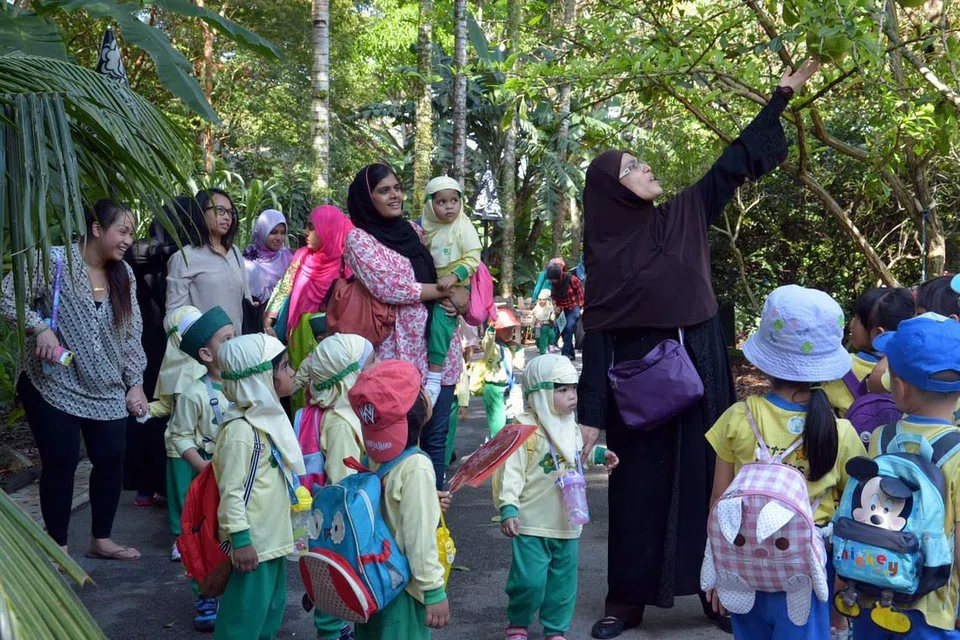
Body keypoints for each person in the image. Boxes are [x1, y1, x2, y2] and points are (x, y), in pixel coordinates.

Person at [577, 60, 821, 639]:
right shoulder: (606, 252)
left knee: (713, 482)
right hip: (637, 383)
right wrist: (589, 419)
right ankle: (626, 599)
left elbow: (733, 165)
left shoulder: (685, 214)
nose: (646, 169)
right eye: (632, 168)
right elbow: (599, 336)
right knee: (636, 489)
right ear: (613, 189)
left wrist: (781, 95)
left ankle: (717, 591)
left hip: (703, 368)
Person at [704, 285, 866, 639]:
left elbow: (718, 501)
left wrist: (716, 568)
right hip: (806, 570)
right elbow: (853, 516)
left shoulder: (737, 417)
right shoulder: (842, 432)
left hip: (744, 563)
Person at [0, 199, 147, 560]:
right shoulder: (53, 261)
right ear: (97, 229)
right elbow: (6, 296)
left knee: (112, 457)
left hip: (106, 385)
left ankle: (102, 539)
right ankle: (58, 545)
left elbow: (131, 331)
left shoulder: (123, 274)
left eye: (132, 233)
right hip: (52, 384)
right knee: (61, 461)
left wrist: (135, 381)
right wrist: (38, 329)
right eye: (123, 231)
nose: (129, 239)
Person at [343, 163, 469, 489]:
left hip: (437, 350)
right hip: (397, 357)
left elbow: (440, 268)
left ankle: (434, 523)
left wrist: (459, 293)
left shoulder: (412, 231)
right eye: (384, 190)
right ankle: (399, 517)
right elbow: (391, 287)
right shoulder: (359, 239)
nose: (395, 194)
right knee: (399, 441)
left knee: (437, 439)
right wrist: (448, 291)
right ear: (367, 197)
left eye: (397, 187)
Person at [494, 355, 619, 640]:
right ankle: (518, 621)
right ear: (538, 393)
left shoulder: (570, 427)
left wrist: (600, 455)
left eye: (573, 389)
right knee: (528, 581)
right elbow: (510, 472)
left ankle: (555, 629)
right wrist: (509, 507)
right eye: (561, 390)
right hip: (532, 522)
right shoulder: (524, 431)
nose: (571, 396)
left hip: (568, 521)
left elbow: (576, 458)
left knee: (563, 584)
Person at [853, 313, 960, 637]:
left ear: (898, 387)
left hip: (873, 590)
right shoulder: (957, 452)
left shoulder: (881, 439)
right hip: (934, 604)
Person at [347, 359, 451, 639]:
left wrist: (427, 500)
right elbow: (418, 536)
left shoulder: (372, 455)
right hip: (403, 587)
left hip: (371, 580)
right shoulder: (415, 466)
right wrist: (433, 589)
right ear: (420, 409)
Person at [213, 333, 305, 640]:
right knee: (243, 620)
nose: (291, 372)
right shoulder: (241, 431)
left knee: (270, 611)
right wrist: (240, 539)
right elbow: (232, 492)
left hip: (272, 542)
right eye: (284, 366)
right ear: (263, 376)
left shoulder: (264, 422)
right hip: (254, 544)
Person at [294, 333, 373, 640]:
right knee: (335, 578)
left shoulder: (327, 411)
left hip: (322, 518)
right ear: (348, 377)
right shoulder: (340, 421)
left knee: (330, 576)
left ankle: (335, 627)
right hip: (335, 522)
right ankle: (331, 632)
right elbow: (342, 482)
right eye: (368, 365)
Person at [165, 306, 236, 631]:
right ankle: (206, 594)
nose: (234, 344)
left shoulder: (246, 385)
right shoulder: (194, 394)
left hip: (239, 478)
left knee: (237, 537)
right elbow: (179, 435)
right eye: (226, 340)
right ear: (206, 354)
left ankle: (235, 593)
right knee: (206, 540)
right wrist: (201, 466)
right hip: (208, 479)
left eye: (236, 337)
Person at [123, 195, 192, 507]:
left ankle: (146, 484)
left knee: (149, 408)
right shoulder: (176, 253)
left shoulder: (143, 249)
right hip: (170, 344)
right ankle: (166, 483)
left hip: (146, 342)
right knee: (168, 410)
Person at [265, 206, 353, 379]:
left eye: (312, 227)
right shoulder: (301, 257)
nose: (306, 232)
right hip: (298, 334)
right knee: (297, 383)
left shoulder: (347, 264)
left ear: (329, 229)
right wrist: (269, 321)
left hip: (331, 337)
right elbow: (284, 288)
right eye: (307, 226)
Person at [421, 176, 482, 407]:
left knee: (440, 323)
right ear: (429, 204)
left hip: (455, 283)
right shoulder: (424, 226)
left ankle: (435, 377)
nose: (449, 206)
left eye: (454, 201)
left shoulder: (464, 227)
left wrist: (455, 277)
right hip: (434, 283)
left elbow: (472, 258)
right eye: (442, 202)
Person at [152, 305, 206, 563]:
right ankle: (181, 539)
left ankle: (208, 537)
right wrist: (142, 410)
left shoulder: (211, 363)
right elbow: (165, 405)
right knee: (181, 494)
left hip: (209, 442)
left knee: (209, 492)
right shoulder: (170, 370)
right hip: (178, 447)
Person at [167, 188, 252, 331]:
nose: (227, 217)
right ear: (201, 212)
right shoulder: (184, 257)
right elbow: (174, 316)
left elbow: (246, 296)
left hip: (236, 346)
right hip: (203, 349)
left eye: (230, 212)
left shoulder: (235, 252)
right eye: (220, 210)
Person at [822, 287, 914, 415]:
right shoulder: (911, 369)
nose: (852, 323)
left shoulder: (838, 367)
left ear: (878, 334)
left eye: (857, 318)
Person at [479, 309, 522, 439]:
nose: (510, 332)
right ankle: (496, 447)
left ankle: (503, 446)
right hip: (494, 387)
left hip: (507, 386)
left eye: (512, 328)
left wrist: (517, 349)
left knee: (511, 419)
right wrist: (491, 329)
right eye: (506, 328)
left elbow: (519, 364)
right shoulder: (492, 347)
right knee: (498, 423)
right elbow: (487, 342)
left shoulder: (507, 347)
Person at [243, 209, 294, 306]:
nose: (279, 238)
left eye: (282, 233)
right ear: (263, 231)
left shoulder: (289, 258)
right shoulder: (247, 262)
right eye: (274, 232)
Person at [446, 322, 478, 465]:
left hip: (451, 397)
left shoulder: (455, 351)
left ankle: (444, 461)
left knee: (446, 432)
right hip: (441, 395)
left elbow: (462, 379)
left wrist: (463, 404)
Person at [545, 260, 583, 360]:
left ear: (559, 277)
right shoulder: (555, 284)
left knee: (569, 328)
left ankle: (565, 354)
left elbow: (580, 294)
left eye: (554, 279)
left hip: (574, 307)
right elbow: (554, 296)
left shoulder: (572, 279)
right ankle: (571, 353)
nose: (552, 281)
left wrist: (581, 307)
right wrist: (556, 306)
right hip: (562, 308)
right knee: (562, 330)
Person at [533, 290, 557, 356]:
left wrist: (552, 316)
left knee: (550, 336)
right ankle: (541, 348)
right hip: (538, 324)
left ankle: (544, 350)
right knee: (538, 337)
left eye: (543, 300)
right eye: (540, 299)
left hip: (547, 324)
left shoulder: (549, 307)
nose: (542, 301)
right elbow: (534, 316)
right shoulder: (536, 308)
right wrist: (533, 323)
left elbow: (552, 316)